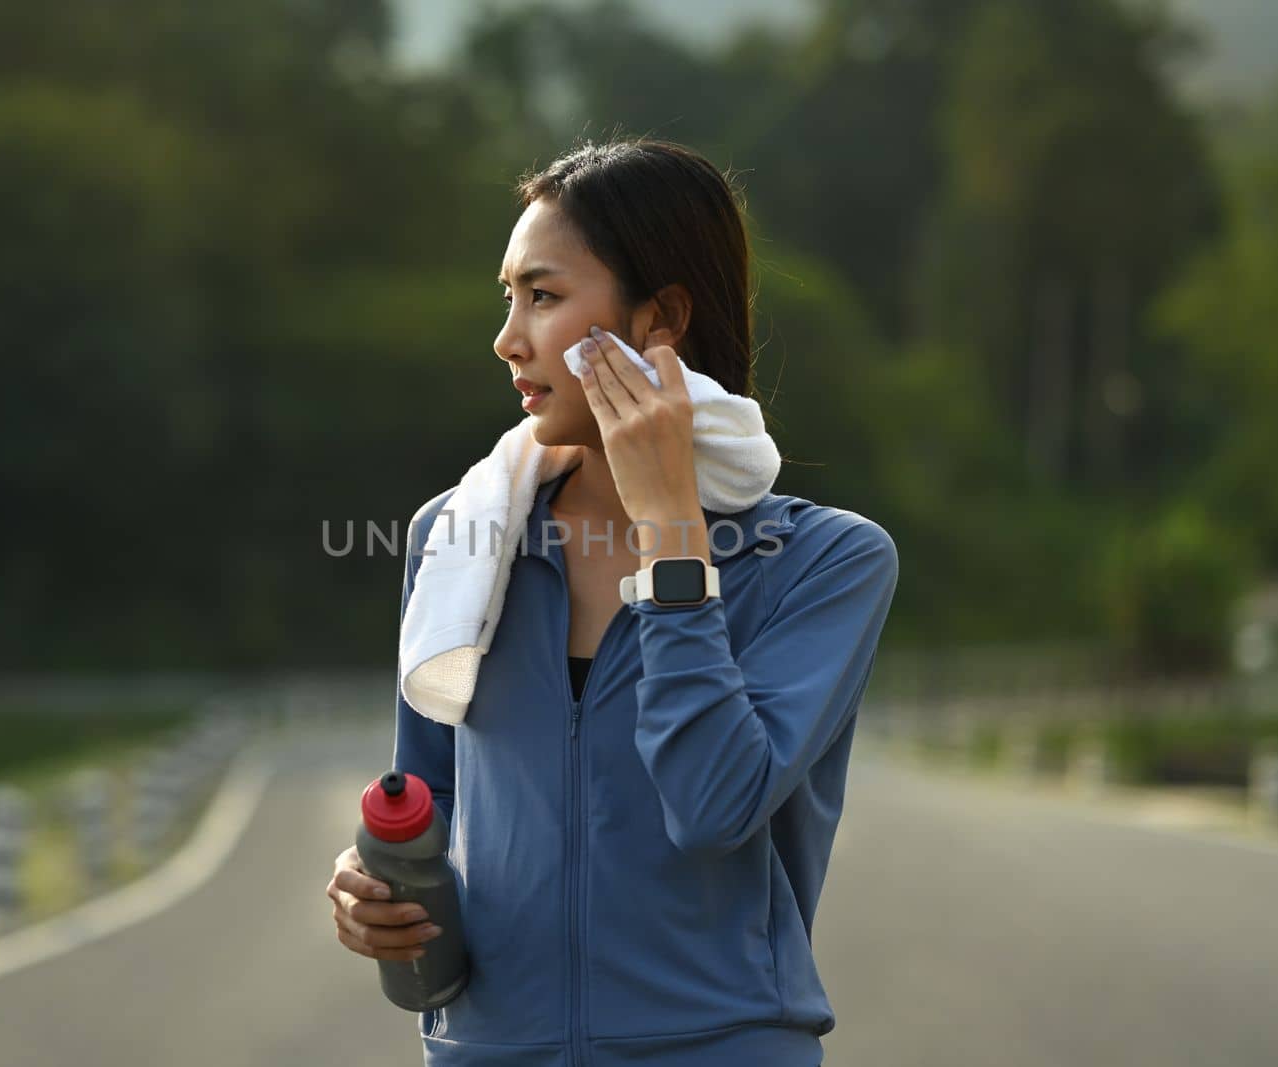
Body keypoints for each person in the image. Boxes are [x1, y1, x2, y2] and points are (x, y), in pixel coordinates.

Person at [326, 134, 899, 1066]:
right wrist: (378, 882)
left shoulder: (824, 561)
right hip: (487, 1050)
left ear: (659, 317)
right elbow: (428, 790)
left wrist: (673, 535)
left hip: (719, 1047)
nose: (508, 338)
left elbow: (715, 804)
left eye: (543, 297)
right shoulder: (461, 536)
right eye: (508, 297)